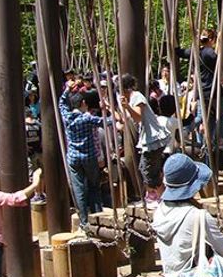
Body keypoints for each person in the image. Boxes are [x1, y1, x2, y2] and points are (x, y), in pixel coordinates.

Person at [59, 81, 112, 232]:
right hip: (89, 157)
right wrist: (107, 109)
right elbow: (107, 122)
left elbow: (61, 103)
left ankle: (83, 221)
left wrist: (67, 90)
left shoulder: (67, 117)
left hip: (73, 158)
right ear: (83, 103)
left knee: (79, 189)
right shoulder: (87, 118)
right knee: (94, 187)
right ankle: (97, 218)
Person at [119, 73, 172, 207]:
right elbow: (126, 119)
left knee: (147, 169)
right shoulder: (131, 99)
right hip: (149, 138)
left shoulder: (137, 96)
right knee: (147, 168)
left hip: (153, 138)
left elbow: (138, 117)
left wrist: (127, 107)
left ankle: (158, 197)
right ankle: (156, 196)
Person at [157, 94, 181, 159]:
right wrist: (192, 111)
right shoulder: (173, 121)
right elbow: (187, 122)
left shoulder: (156, 119)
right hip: (167, 152)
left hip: (157, 152)